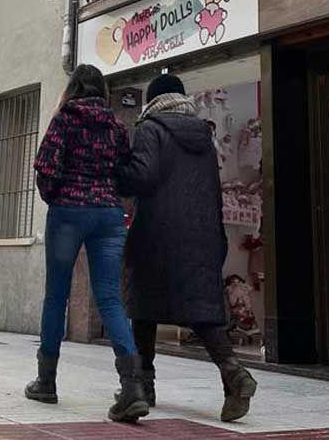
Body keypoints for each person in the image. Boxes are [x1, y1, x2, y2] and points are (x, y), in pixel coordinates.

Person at [119, 74, 258, 422]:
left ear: (153, 100)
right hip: (202, 234)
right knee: (202, 310)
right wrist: (218, 237)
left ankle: (143, 384)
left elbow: (143, 176)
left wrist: (117, 170)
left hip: (158, 232)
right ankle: (234, 374)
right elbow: (214, 189)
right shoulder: (203, 136)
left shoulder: (150, 129)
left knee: (143, 307)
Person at [23, 64, 149, 424]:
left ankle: (46, 381)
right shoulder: (115, 125)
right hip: (108, 215)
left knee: (56, 296)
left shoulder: (66, 117)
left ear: (74, 87)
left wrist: (57, 198)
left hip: (68, 212)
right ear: (103, 90)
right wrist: (108, 194)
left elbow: (46, 165)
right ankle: (132, 388)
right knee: (110, 298)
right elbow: (125, 170)